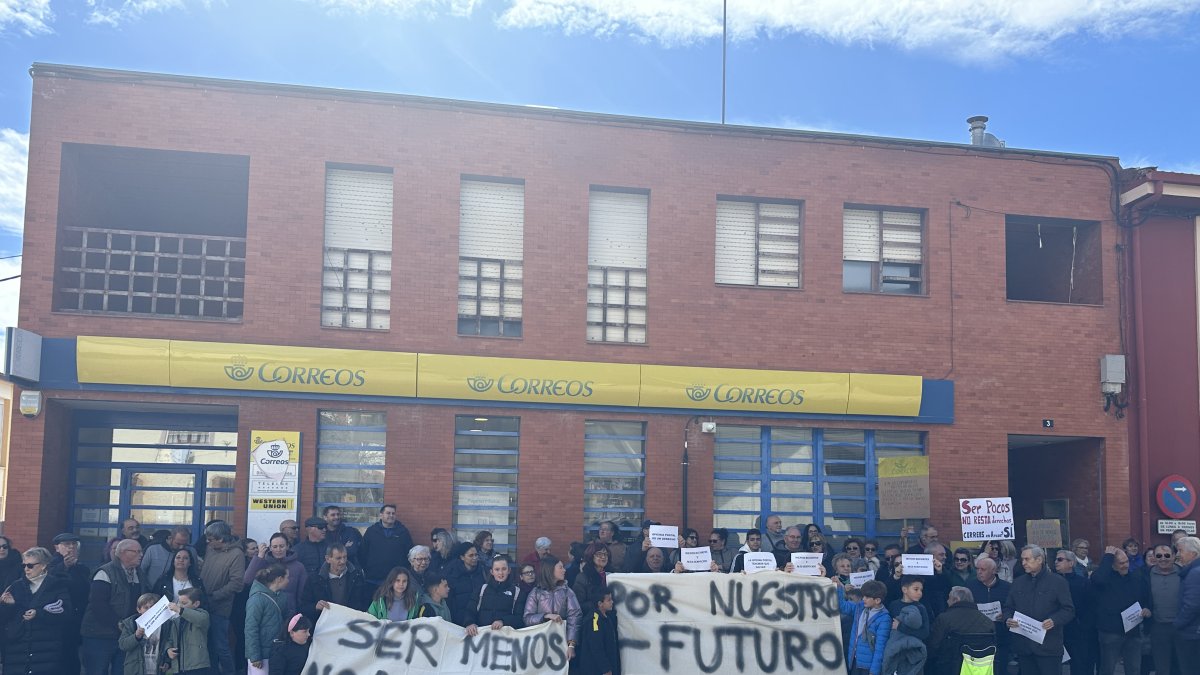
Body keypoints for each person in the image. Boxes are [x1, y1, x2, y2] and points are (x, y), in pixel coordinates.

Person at [1003, 544, 1075, 675]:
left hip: (1048, 646)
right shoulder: (1018, 582)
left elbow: (1068, 610)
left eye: (1027, 559)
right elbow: (1008, 607)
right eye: (1022, 559)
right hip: (1024, 647)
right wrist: (1008, 619)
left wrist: (1054, 620)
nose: (1023, 563)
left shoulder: (1058, 582)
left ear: (1039, 560)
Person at [0, 546, 72, 675]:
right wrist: (8, 605)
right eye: (24, 565)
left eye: (30, 565)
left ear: (43, 566)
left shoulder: (57, 585)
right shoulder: (16, 585)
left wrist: (40, 614)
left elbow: (65, 612)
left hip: (46, 648)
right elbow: (4, 618)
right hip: (17, 649)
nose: (26, 569)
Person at [81, 537, 144, 675]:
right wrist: (119, 624)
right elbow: (98, 605)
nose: (141, 555)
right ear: (122, 553)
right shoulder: (104, 572)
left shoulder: (139, 573)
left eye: (141, 551)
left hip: (125, 636)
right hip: (99, 635)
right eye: (136, 551)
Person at [1092, 545, 1151, 675]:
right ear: (1111, 565)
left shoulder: (1136, 578)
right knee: (1107, 669)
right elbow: (1098, 580)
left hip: (1133, 631)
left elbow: (1145, 598)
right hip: (1110, 631)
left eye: (1127, 562)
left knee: (1134, 669)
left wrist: (1146, 608)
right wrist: (1108, 557)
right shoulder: (1105, 579)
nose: (1125, 565)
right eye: (1121, 563)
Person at [199, 520, 244, 675]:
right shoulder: (210, 549)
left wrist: (215, 596)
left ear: (221, 539)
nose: (207, 542)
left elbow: (237, 583)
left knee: (221, 646)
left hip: (220, 607)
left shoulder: (237, 554)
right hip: (202, 604)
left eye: (210, 539)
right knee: (206, 645)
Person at [524, 556, 582, 663]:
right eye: (560, 567)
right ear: (550, 570)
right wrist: (545, 616)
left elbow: (575, 617)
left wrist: (571, 645)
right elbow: (527, 618)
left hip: (561, 645)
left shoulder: (567, 592)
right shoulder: (536, 592)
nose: (564, 570)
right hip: (539, 645)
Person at [928, 586, 995, 675]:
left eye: (949, 598)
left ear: (956, 599)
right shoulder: (988, 622)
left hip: (950, 668)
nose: (947, 601)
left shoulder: (944, 619)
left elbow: (933, 646)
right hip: (981, 669)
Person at [49, 532, 90, 675]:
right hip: (59, 619)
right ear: (57, 547)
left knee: (73, 655)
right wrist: (64, 567)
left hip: (77, 618)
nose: (71, 547)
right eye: (67, 544)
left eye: (74, 544)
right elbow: (50, 582)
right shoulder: (51, 565)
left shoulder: (81, 567)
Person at [1054, 549, 1097, 675]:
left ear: (1071, 563)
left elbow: (1091, 607)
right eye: (1056, 559)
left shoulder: (1083, 582)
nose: (1056, 562)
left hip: (1078, 631)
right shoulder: (1051, 581)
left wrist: (1084, 626)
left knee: (1080, 666)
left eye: (1060, 559)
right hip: (1056, 630)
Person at [303, 542, 368, 621]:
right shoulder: (314, 579)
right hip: (326, 626)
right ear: (328, 559)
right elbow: (304, 606)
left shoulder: (357, 576)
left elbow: (365, 601)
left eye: (345, 557)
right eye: (338, 558)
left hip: (351, 623)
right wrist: (315, 607)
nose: (343, 561)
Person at [244, 533, 306, 617]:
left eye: (282, 546)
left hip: (290, 612)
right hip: (267, 611)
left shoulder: (298, 566)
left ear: (287, 546)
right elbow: (247, 579)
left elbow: (302, 593)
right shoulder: (264, 563)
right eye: (275, 547)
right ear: (270, 547)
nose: (278, 549)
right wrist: (259, 557)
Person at [837, 579, 891, 675]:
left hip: (868, 667)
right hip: (854, 661)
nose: (863, 599)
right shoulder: (860, 607)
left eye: (867, 597)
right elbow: (842, 606)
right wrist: (839, 588)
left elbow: (880, 648)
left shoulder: (884, 619)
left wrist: (874, 671)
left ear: (877, 600)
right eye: (863, 596)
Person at [1146, 544, 1184, 675]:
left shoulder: (1184, 573)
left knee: (1182, 666)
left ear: (1174, 556)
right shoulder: (1145, 575)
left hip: (1181, 626)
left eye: (1167, 555)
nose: (1163, 558)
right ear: (1154, 558)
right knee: (1162, 667)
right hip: (1158, 627)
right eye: (1159, 556)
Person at [245, 564, 288, 675]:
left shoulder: (282, 597)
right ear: (279, 579)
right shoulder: (256, 600)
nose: (289, 580)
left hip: (275, 653)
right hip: (261, 656)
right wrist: (255, 656)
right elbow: (251, 629)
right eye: (287, 577)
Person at [464, 554, 526, 633]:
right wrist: (469, 623)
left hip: (505, 638)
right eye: (497, 569)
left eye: (504, 569)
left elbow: (519, 618)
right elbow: (470, 610)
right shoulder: (481, 589)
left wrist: (503, 621)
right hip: (481, 638)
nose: (501, 572)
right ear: (492, 572)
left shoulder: (517, 592)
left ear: (509, 570)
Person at [358, 505, 414, 586]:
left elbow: (410, 554)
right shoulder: (371, 531)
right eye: (388, 513)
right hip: (373, 579)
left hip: (395, 581)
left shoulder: (403, 532)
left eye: (393, 513)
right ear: (381, 515)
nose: (391, 515)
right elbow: (362, 552)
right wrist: (367, 569)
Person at [160, 587, 211, 675]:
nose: (179, 605)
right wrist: (168, 650)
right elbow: (170, 639)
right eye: (179, 602)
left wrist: (179, 610)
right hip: (178, 667)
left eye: (184, 603)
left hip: (197, 666)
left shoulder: (203, 615)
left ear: (196, 604)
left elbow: (200, 619)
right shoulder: (176, 620)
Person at [576, 589, 620, 675]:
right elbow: (596, 647)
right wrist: (606, 669)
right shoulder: (594, 621)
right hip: (596, 670)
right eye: (609, 600)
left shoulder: (606, 617)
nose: (612, 602)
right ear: (600, 604)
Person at [117, 592, 164, 675]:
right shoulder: (130, 624)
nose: (150, 610)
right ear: (139, 609)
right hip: (136, 669)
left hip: (158, 669)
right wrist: (136, 636)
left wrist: (167, 661)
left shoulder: (165, 624)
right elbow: (123, 645)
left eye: (153, 607)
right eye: (146, 608)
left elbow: (169, 643)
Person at [443, 541, 485, 626]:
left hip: (479, 621)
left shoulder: (483, 572)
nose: (475, 558)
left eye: (476, 555)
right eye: (471, 555)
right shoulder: (452, 574)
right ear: (462, 557)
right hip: (458, 622)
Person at [1174, 536, 1200, 664]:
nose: (1178, 555)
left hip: (1192, 634)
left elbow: (1192, 606)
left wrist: (1178, 624)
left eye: (1181, 551)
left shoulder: (1195, 573)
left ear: (1193, 554)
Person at [571, 543, 610, 614]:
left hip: (609, 617)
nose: (603, 557)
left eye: (605, 554)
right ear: (591, 556)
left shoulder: (611, 575)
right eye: (599, 554)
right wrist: (599, 605)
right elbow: (578, 604)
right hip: (591, 618)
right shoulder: (582, 577)